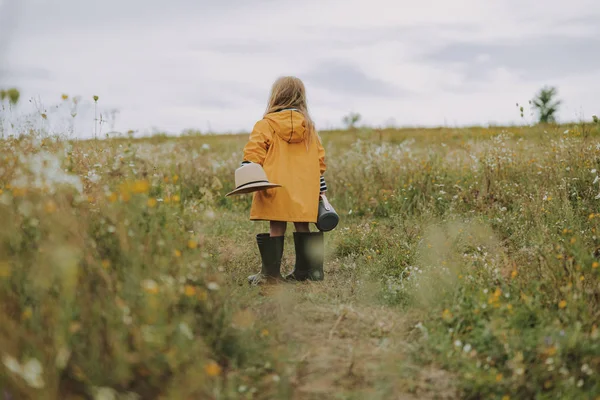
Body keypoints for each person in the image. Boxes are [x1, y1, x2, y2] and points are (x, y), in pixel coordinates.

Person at [241, 76, 329, 285]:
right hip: (304, 188)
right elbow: (319, 161)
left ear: (276, 96)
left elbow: (254, 153)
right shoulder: (309, 127)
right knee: (302, 226)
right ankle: (307, 272)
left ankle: (270, 275)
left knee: (276, 226)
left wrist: (246, 171)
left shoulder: (265, 124)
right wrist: (320, 188)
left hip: (275, 187)